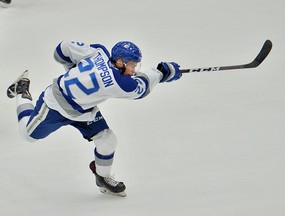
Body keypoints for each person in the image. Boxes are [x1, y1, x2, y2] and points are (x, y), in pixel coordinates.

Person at [7, 40, 182, 197]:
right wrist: (161, 73)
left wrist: (72, 71)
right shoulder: (120, 83)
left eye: (136, 65)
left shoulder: (98, 51)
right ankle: (22, 90)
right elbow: (141, 88)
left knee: (107, 140)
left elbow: (61, 50)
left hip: (84, 111)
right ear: (119, 61)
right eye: (131, 65)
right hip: (54, 106)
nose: (134, 70)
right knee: (26, 134)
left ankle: (103, 178)